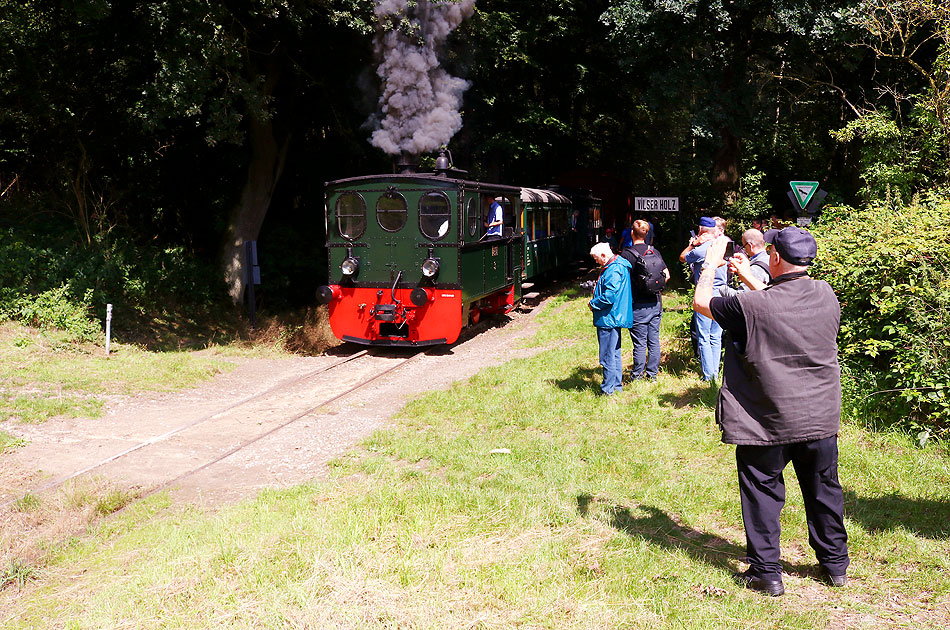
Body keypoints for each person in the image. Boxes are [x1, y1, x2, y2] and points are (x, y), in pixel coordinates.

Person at [692, 227, 849, 597]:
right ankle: (835, 565)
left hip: (765, 421)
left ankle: (767, 574)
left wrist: (710, 265)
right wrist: (748, 276)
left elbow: (702, 303)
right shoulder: (826, 295)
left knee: (762, 492)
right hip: (819, 416)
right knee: (824, 488)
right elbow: (779, 308)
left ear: (774, 256)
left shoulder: (749, 306)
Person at [679, 216, 727, 381]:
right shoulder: (722, 247)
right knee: (716, 335)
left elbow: (682, 257)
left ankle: (709, 376)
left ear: (700, 231)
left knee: (704, 336)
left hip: (706, 295)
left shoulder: (701, 250)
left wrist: (692, 244)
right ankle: (715, 372)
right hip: (722, 295)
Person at [621, 219, 670, 380]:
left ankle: (637, 376)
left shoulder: (627, 254)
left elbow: (622, 281)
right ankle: (652, 374)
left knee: (640, 342)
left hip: (637, 305)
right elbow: (667, 276)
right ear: (647, 234)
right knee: (654, 340)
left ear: (631, 233)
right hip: (656, 302)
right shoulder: (654, 252)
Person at [588, 242, 634, 395]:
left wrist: (593, 303)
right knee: (614, 353)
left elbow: (609, 296)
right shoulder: (618, 265)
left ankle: (608, 389)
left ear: (603, 255)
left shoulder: (613, 270)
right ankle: (616, 386)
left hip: (609, 317)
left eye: (596, 258)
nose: (596, 262)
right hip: (614, 316)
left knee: (607, 355)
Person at [721, 228, 771, 297]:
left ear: (750, 246)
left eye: (744, 247)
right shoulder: (770, 259)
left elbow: (740, 296)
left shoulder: (755, 268)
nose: (744, 250)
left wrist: (719, 286)